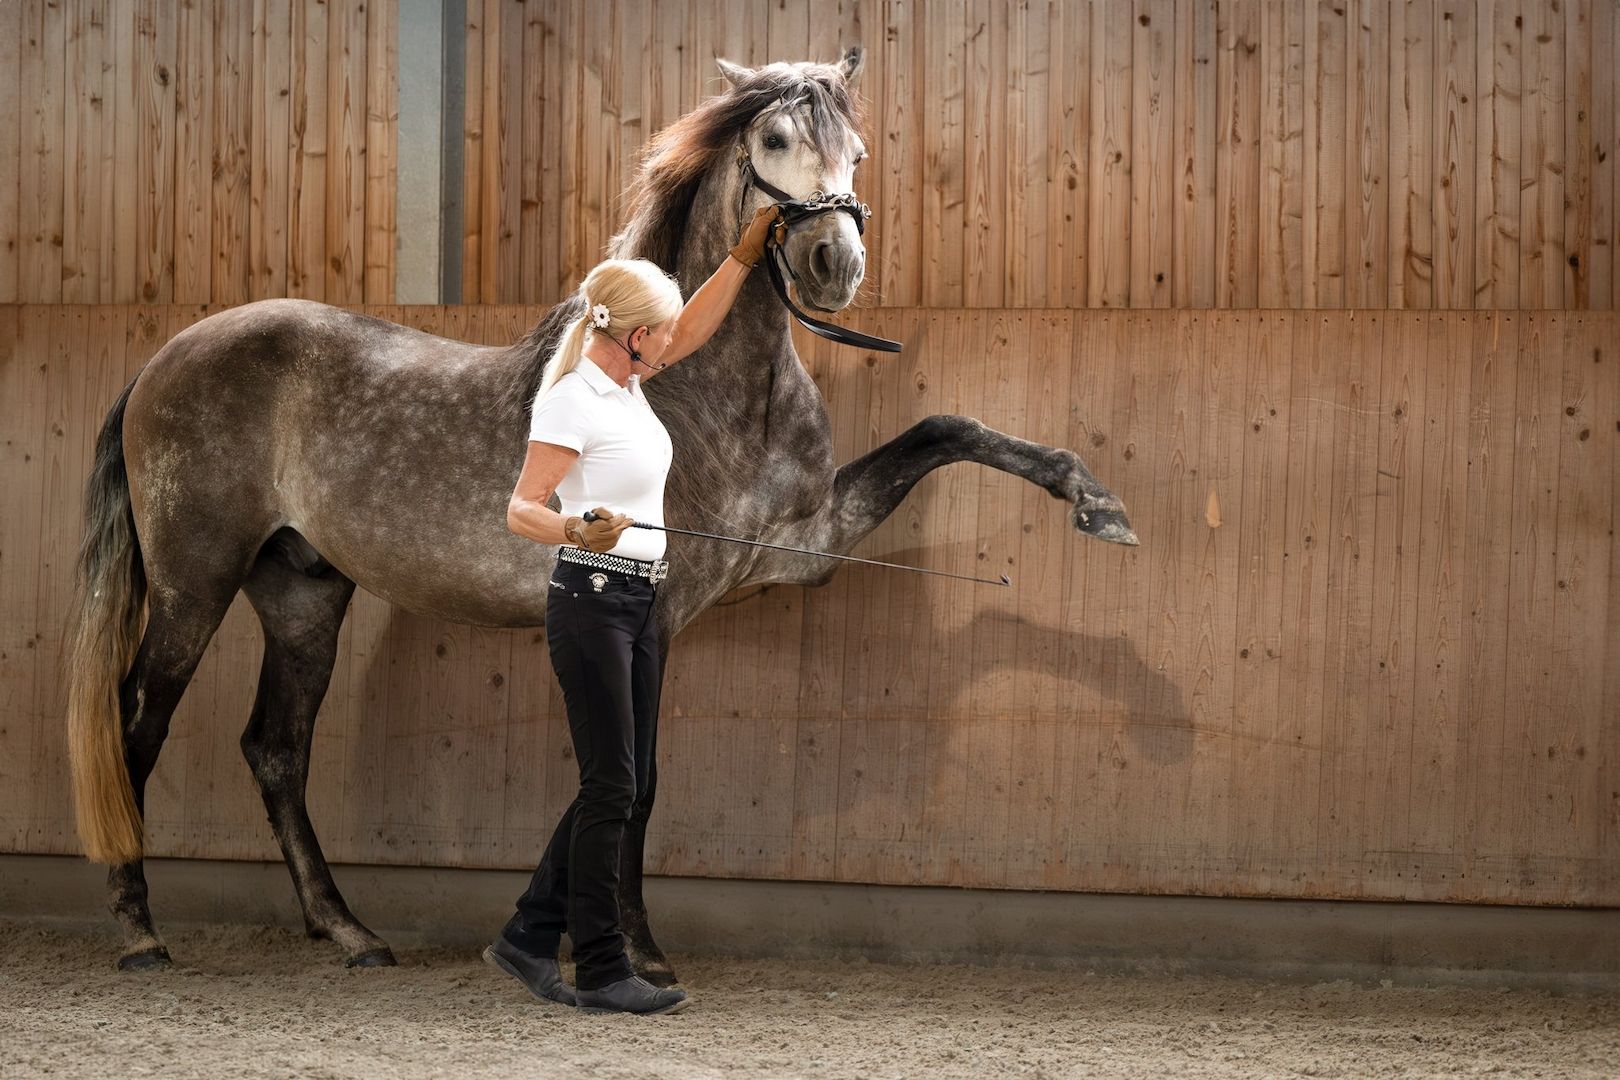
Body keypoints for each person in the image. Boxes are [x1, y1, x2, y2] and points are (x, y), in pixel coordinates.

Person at [489, 203, 784, 1015]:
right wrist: (575, 527)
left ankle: (525, 936)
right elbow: (521, 509)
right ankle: (601, 965)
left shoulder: (628, 383)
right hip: (590, 598)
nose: (670, 342)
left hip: (643, 599)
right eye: (658, 331)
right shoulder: (573, 402)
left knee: (622, 780)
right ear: (628, 334)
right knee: (613, 783)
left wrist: (742, 259)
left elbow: (689, 329)